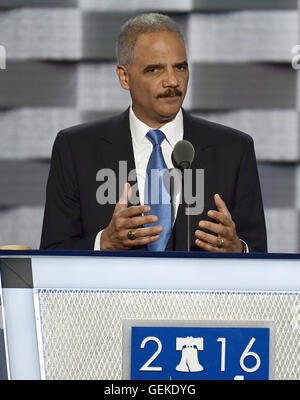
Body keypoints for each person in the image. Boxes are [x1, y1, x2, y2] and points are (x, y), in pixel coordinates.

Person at [40, 13, 267, 252]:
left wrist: (239, 250)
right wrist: (103, 243)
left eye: (180, 67)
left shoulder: (233, 149)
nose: (172, 81)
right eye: (155, 70)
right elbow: (53, 251)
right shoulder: (76, 149)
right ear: (124, 77)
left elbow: (258, 252)